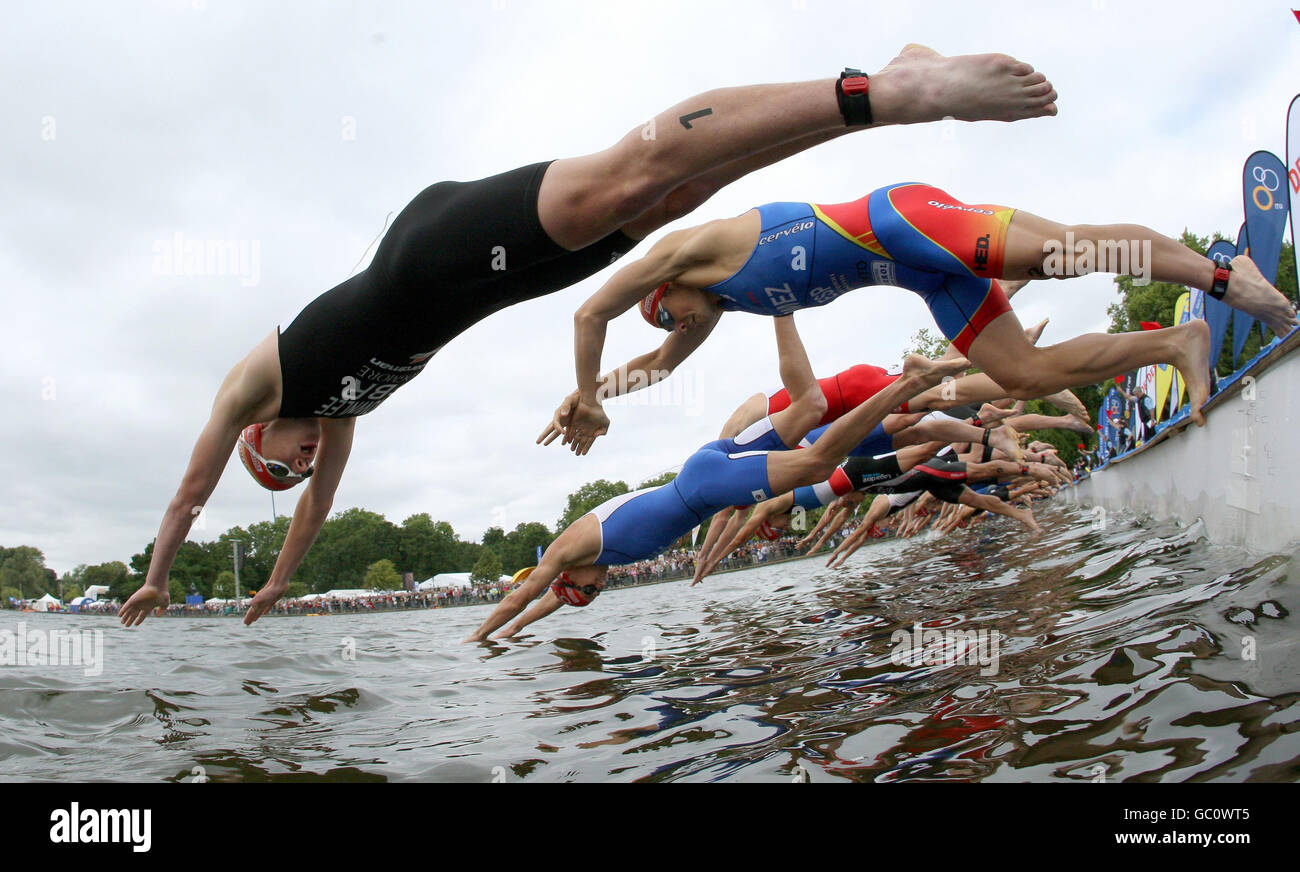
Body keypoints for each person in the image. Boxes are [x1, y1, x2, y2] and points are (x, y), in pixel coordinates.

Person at [118, 46, 1059, 628]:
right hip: (495, 284)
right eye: (297, 468)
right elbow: (316, 515)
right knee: (676, 196)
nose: (303, 463)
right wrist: (279, 584)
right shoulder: (346, 414)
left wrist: (160, 575)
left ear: (260, 437)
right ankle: (879, 92)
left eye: (281, 466)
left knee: (631, 169)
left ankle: (891, 89)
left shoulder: (259, 385)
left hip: (430, 247)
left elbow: (187, 493)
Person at [543, 168, 1300, 455]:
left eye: (662, 315)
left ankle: (1226, 278)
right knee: (1020, 374)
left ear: (661, 286)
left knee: (1053, 254)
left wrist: (586, 382)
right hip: (919, 278)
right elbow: (652, 367)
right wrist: (591, 397)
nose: (671, 326)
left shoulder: (685, 250)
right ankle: (1178, 341)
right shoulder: (711, 308)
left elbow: (589, 315)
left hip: (902, 219)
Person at [463, 315, 971, 641]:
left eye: (589, 592)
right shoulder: (585, 566)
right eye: (592, 596)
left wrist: (478, 638)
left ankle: (908, 380)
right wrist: (509, 637)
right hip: (708, 465)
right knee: (811, 406)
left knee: (818, 464)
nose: (601, 590)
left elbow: (523, 594)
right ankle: (782, 305)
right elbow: (540, 604)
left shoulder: (569, 550)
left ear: (570, 578)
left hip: (705, 484)